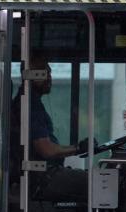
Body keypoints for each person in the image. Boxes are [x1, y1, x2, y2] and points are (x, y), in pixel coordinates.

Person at [10, 57, 92, 204]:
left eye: (49, 73)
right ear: (29, 75)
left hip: (43, 174)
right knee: (99, 183)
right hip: (43, 177)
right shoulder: (29, 105)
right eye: (43, 73)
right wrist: (78, 148)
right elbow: (46, 149)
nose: (49, 78)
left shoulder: (30, 102)